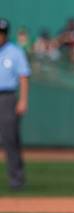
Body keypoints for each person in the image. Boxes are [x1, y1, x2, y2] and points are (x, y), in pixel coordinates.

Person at [0, 18, 30, 190]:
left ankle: (16, 178)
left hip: (7, 98)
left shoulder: (15, 52)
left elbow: (23, 76)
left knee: (10, 139)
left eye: (2, 33)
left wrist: (23, 100)